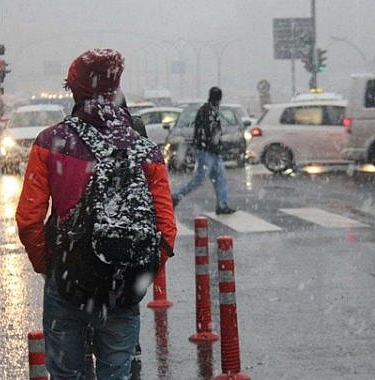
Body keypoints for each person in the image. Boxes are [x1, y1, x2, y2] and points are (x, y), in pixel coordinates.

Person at [16, 48, 176, 379]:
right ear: (116, 88)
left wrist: (52, 268)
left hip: (67, 282)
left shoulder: (50, 142)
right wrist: (136, 272)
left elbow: (29, 219)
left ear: (74, 89)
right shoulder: (145, 150)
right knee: (116, 373)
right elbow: (166, 230)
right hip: (121, 286)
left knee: (67, 373)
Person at [172, 86, 236, 214]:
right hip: (207, 151)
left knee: (219, 178)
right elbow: (208, 132)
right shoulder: (208, 112)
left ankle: (222, 205)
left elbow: (208, 132)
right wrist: (212, 145)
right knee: (202, 178)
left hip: (209, 150)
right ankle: (177, 196)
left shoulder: (208, 110)